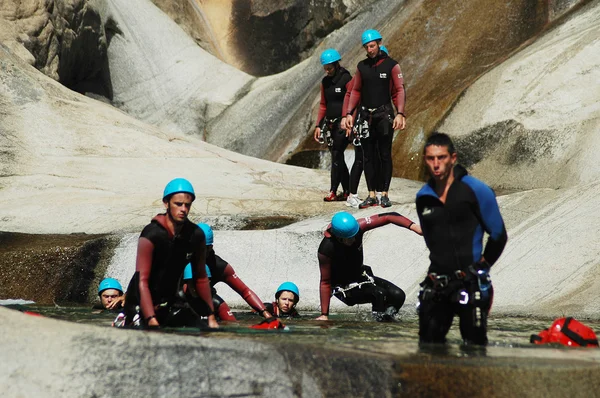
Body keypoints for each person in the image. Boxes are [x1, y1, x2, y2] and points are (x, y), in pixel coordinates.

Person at [416, 132, 508, 346]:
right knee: (428, 349)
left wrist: (483, 266)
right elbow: (431, 240)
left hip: (470, 280)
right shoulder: (423, 196)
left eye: (441, 157)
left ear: (453, 158)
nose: (436, 164)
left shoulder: (475, 189)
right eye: (431, 158)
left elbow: (498, 234)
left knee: (474, 348)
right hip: (438, 282)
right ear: (425, 160)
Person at [121, 178, 218, 329]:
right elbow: (142, 280)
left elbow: (201, 278)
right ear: (166, 203)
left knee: (206, 332)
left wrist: (211, 316)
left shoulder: (195, 235)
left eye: (187, 205)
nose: (183, 209)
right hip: (140, 302)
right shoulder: (151, 234)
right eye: (178, 204)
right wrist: (151, 319)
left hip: (170, 301)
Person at [316, 211, 422, 322]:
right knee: (378, 294)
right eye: (349, 238)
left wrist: (415, 227)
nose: (354, 239)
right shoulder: (326, 249)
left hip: (359, 276)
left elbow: (388, 216)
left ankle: (388, 320)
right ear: (339, 238)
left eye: (354, 236)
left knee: (398, 295)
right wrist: (324, 314)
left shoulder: (358, 227)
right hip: (342, 287)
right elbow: (325, 282)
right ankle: (377, 328)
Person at [345, 30, 406, 209]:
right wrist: (349, 113)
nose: (370, 49)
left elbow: (399, 90)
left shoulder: (392, 65)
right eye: (367, 47)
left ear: (379, 43)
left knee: (385, 154)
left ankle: (384, 194)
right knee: (368, 156)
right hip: (365, 116)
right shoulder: (361, 66)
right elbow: (355, 91)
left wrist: (401, 113)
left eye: (372, 45)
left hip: (384, 115)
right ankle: (371, 194)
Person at [341, 45, 391, 208]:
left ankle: (375, 193)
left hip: (374, 121)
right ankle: (352, 194)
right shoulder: (364, 74)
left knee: (374, 158)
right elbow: (350, 93)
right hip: (361, 121)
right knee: (361, 158)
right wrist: (348, 118)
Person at [194, 223, 273, 320]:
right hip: (183, 298)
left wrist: (265, 312)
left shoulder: (219, 266)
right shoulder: (182, 258)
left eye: (201, 248)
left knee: (219, 305)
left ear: (210, 248)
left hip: (208, 300)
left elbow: (245, 291)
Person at [314, 48, 353, 202]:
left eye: (329, 67)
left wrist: (349, 120)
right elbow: (323, 105)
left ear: (336, 64)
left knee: (337, 154)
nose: (327, 71)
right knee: (337, 157)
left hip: (342, 124)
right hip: (329, 124)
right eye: (325, 68)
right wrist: (318, 125)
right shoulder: (325, 82)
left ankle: (333, 191)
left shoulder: (346, 78)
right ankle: (347, 191)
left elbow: (352, 100)